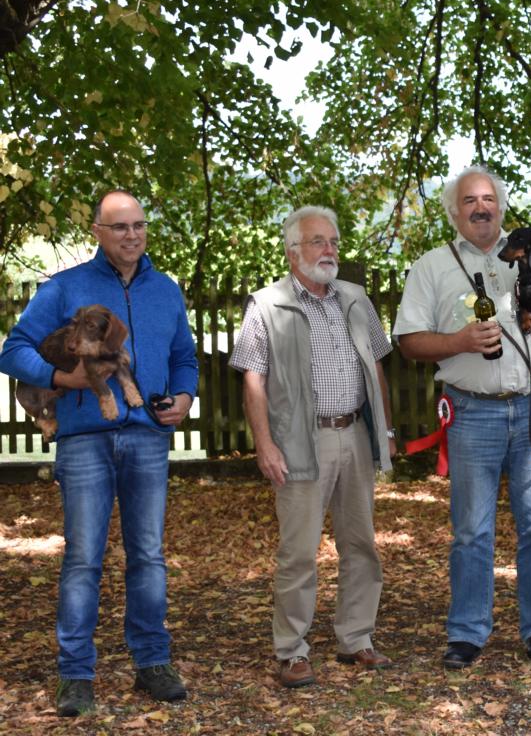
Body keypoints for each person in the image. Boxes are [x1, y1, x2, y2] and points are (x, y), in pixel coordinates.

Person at [0, 190, 199, 716]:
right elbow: (13, 350)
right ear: (97, 232)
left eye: (138, 225)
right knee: (83, 558)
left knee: (148, 555)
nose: (132, 235)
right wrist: (59, 377)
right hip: (84, 439)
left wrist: (183, 397)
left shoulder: (166, 290)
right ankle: (75, 675)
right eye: (119, 227)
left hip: (148, 438)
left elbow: (185, 357)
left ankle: (153, 663)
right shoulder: (65, 287)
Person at [393, 165, 531, 669]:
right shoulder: (431, 267)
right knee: (470, 531)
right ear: (454, 212)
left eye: (488, 199)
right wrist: (458, 341)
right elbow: (409, 341)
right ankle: (467, 633)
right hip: (471, 413)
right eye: (469, 201)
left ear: (501, 207)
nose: (480, 208)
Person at [229, 206, 398, 688]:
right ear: (293, 252)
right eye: (318, 241)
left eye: (333, 241)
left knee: (361, 543)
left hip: (355, 434)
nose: (330, 250)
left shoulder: (356, 299)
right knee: (300, 551)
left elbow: (376, 366)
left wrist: (384, 430)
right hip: (301, 441)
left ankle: (356, 637)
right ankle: (292, 650)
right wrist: (265, 444)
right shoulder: (267, 305)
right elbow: (253, 379)